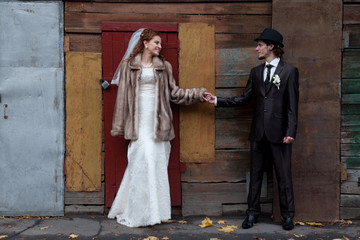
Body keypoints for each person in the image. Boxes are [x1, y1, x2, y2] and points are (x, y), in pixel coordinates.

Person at [108, 28, 207, 227]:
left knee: (155, 162)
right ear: (145, 43)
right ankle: (137, 212)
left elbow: (175, 93)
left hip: (158, 122)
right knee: (139, 161)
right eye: (156, 42)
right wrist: (120, 126)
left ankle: (155, 212)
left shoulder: (164, 67)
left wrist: (198, 94)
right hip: (138, 122)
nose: (160, 47)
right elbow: (122, 99)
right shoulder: (129, 66)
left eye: (160, 43)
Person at [203, 28, 299, 231]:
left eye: (260, 45)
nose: (257, 49)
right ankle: (252, 214)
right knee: (255, 174)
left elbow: (292, 105)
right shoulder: (255, 72)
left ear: (271, 47)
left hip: (280, 133)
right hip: (257, 132)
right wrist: (217, 100)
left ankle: (288, 216)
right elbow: (244, 98)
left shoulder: (289, 71)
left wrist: (290, 131)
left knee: (283, 175)